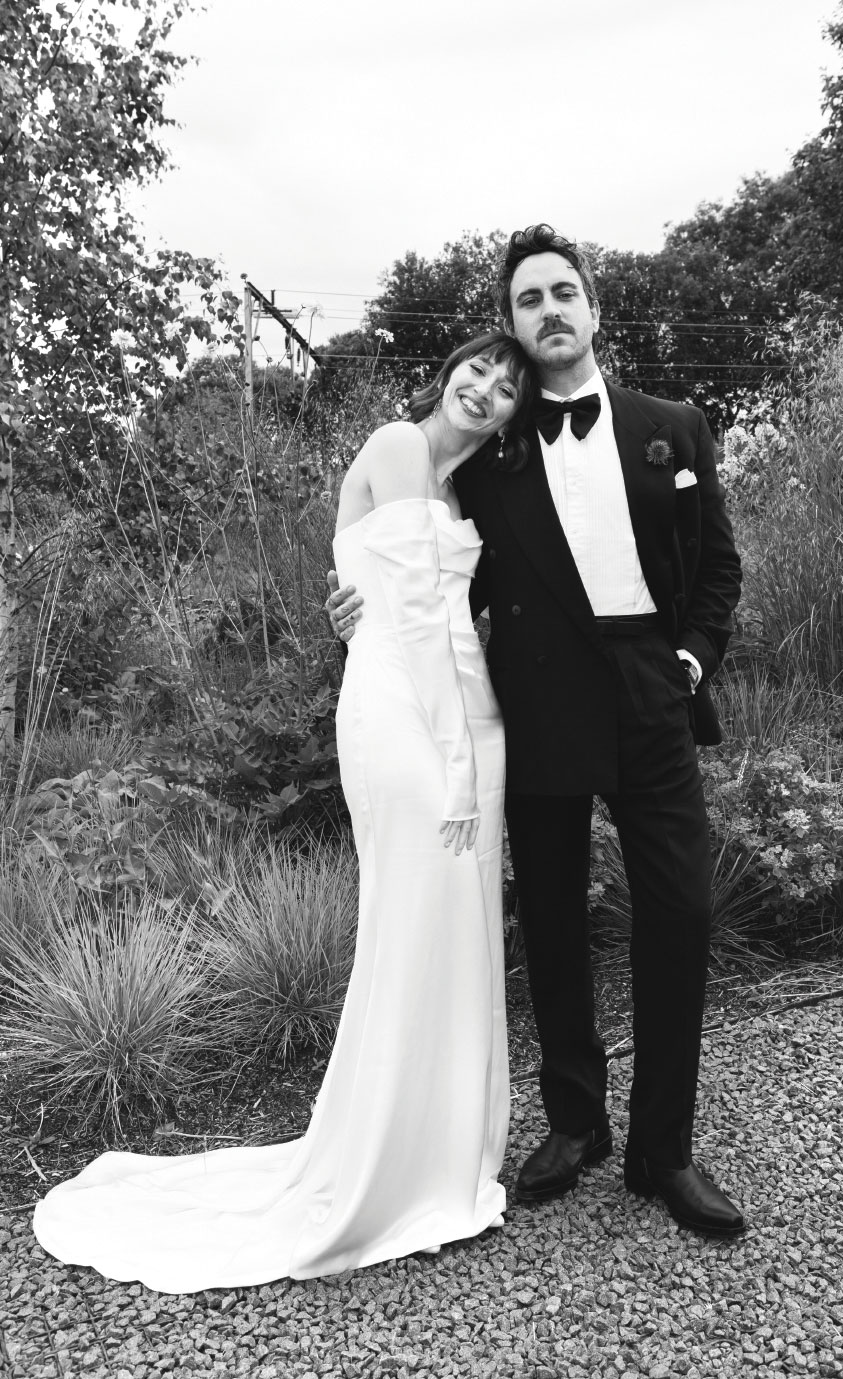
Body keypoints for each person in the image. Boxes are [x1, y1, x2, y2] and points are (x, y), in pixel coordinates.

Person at [32, 330, 538, 1293]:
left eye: (506, 387)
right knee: (409, 919)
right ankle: (386, 1165)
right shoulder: (398, 447)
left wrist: (470, 732)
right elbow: (414, 620)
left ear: (517, 409)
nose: (484, 388)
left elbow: (418, 596)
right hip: (411, 720)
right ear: (447, 372)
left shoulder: (466, 490)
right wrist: (456, 767)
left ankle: (443, 1154)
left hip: (471, 715)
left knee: (457, 928)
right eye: (475, 368)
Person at [328, 224, 745, 1237]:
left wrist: (687, 659)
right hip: (540, 690)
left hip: (651, 684)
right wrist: (351, 602)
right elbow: (395, 521)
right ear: (512, 325)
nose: (549, 310)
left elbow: (719, 565)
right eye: (528, 300)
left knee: (678, 910)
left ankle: (663, 1149)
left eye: (564, 292)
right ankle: (574, 1122)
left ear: (593, 309)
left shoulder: (673, 425)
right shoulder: (490, 453)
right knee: (553, 914)